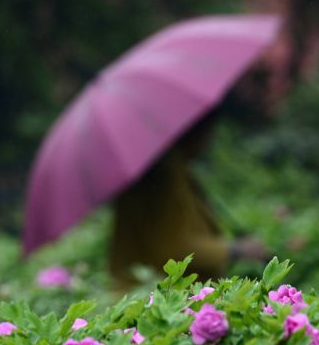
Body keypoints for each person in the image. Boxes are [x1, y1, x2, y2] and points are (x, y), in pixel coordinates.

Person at [108, 111, 267, 285]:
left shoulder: (175, 168)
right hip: (157, 298)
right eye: (207, 129)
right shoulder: (161, 175)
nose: (209, 137)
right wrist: (236, 250)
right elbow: (173, 248)